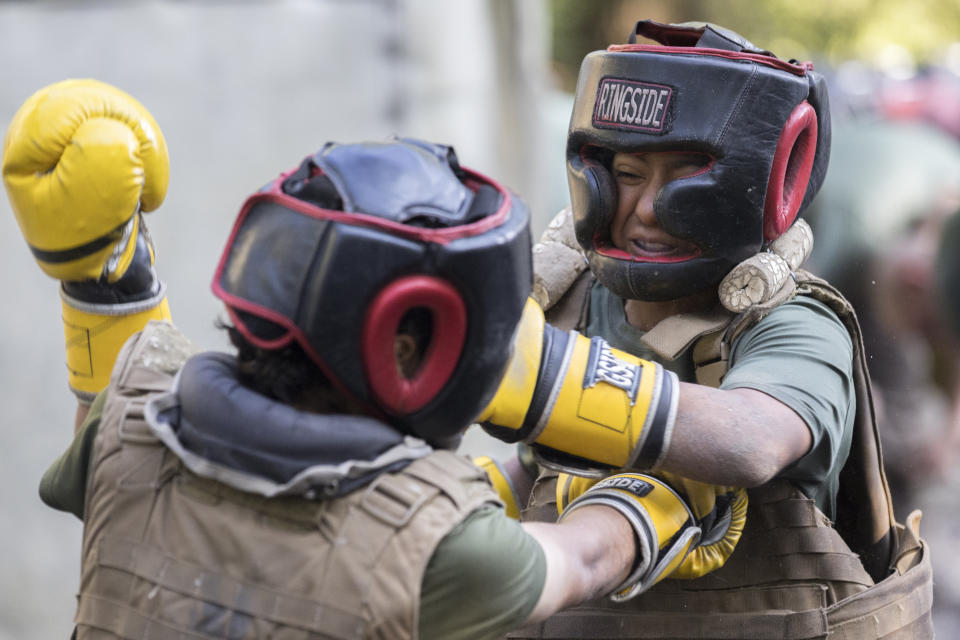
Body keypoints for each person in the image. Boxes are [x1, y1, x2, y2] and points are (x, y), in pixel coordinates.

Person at [3, 79, 746, 640]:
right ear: (406, 345)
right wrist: (659, 499)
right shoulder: (439, 552)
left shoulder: (126, 429)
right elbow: (581, 561)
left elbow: (107, 432)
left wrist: (104, 278)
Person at [474, 20, 934, 638]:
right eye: (631, 174)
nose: (644, 210)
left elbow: (749, 439)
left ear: (764, 183)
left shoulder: (794, 323)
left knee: (668, 493)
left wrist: (539, 379)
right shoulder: (578, 299)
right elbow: (543, 472)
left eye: (686, 178)